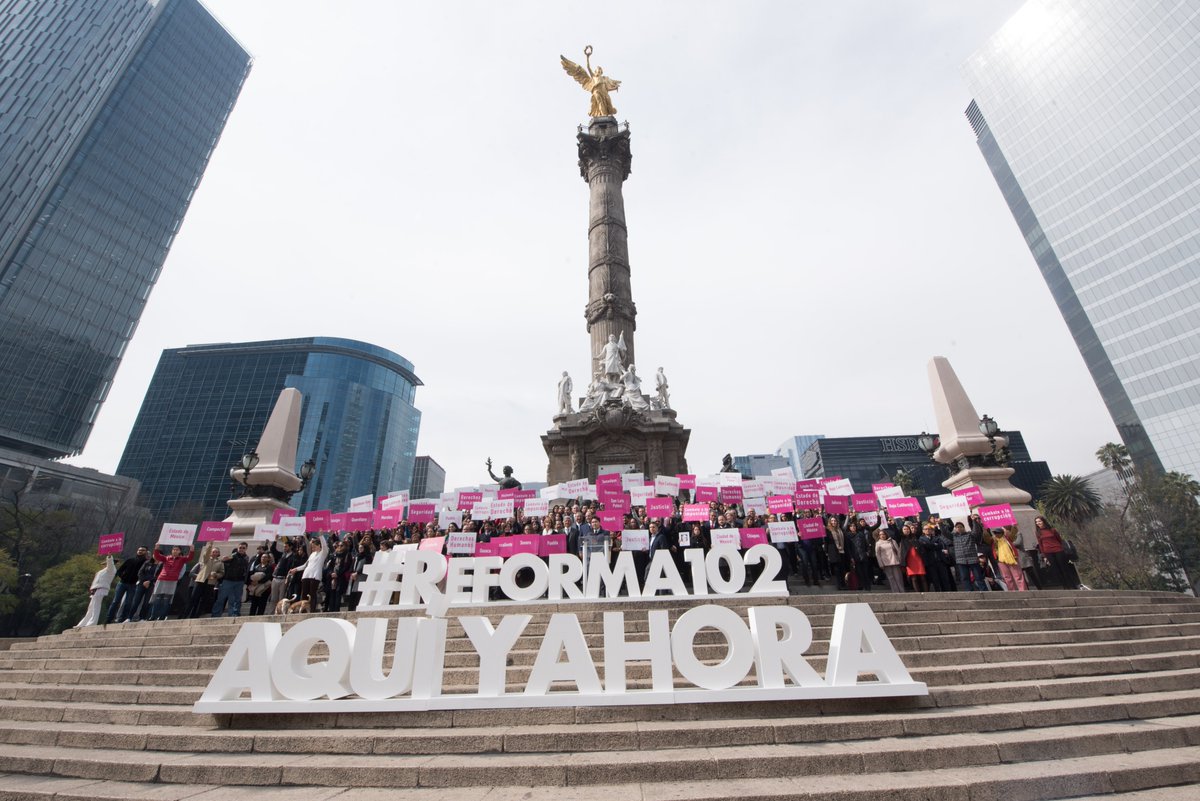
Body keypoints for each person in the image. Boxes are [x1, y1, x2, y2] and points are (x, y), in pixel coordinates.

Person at [147, 545, 194, 621]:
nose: (175, 551)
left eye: (177, 550)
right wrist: (156, 548)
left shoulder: (182, 559)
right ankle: (153, 616)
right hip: (161, 579)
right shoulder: (166, 558)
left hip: (172, 581)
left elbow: (190, 558)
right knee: (157, 598)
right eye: (174, 549)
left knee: (167, 600)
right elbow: (157, 556)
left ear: (180, 551)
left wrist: (191, 550)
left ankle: (162, 617)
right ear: (172, 551)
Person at [106, 546, 148, 624]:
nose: (140, 551)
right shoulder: (130, 560)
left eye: (143, 550)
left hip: (133, 585)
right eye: (139, 550)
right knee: (115, 601)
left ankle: (123, 619)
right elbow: (120, 570)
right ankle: (109, 618)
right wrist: (123, 576)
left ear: (146, 552)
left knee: (128, 603)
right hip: (122, 583)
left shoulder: (146, 562)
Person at [1035, 516, 1077, 589]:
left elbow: (1059, 540)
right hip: (1048, 552)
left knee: (1064, 567)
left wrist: (1062, 548)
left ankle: (1072, 584)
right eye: (1036, 522)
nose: (1038, 523)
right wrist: (1044, 556)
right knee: (1056, 569)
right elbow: (1040, 545)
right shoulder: (1038, 532)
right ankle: (1065, 586)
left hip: (1058, 550)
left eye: (1039, 521)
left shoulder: (1052, 530)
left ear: (1043, 521)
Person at [75, 555, 117, 628]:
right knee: (91, 607)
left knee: (96, 606)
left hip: (101, 589)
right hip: (96, 589)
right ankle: (83, 623)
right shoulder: (102, 571)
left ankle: (92, 622)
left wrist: (109, 558)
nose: (105, 565)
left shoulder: (111, 569)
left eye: (106, 563)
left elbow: (110, 564)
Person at [212, 542, 249, 617]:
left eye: (243, 548)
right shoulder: (233, 556)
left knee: (237, 599)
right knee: (221, 598)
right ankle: (216, 614)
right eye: (240, 548)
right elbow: (223, 561)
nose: (241, 549)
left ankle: (234, 614)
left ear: (246, 549)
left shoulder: (246, 558)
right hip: (228, 580)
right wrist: (225, 559)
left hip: (239, 581)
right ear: (237, 548)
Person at [186, 546, 223, 618]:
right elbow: (205, 555)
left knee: (203, 600)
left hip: (210, 582)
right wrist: (210, 545)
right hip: (201, 581)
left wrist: (216, 575)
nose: (214, 553)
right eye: (213, 552)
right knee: (194, 599)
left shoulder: (220, 563)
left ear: (218, 553)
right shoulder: (206, 559)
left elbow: (222, 572)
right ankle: (186, 615)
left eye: (216, 552)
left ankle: (196, 615)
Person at [993, 526, 1027, 591]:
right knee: (1007, 577)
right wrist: (984, 529)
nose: (997, 534)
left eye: (998, 532)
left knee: (1018, 576)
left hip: (1012, 559)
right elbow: (986, 537)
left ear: (1002, 533)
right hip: (1001, 561)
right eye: (995, 533)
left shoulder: (1008, 538)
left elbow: (1014, 533)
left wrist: (1014, 525)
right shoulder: (994, 541)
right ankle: (1012, 591)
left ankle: (1023, 590)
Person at [875, 529, 904, 593]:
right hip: (885, 562)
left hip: (894, 561)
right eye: (880, 535)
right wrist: (880, 564)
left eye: (883, 534)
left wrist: (899, 559)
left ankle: (902, 591)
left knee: (898, 577)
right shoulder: (878, 543)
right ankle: (895, 592)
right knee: (891, 578)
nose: (882, 536)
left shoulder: (892, 541)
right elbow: (878, 554)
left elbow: (898, 551)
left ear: (886, 534)